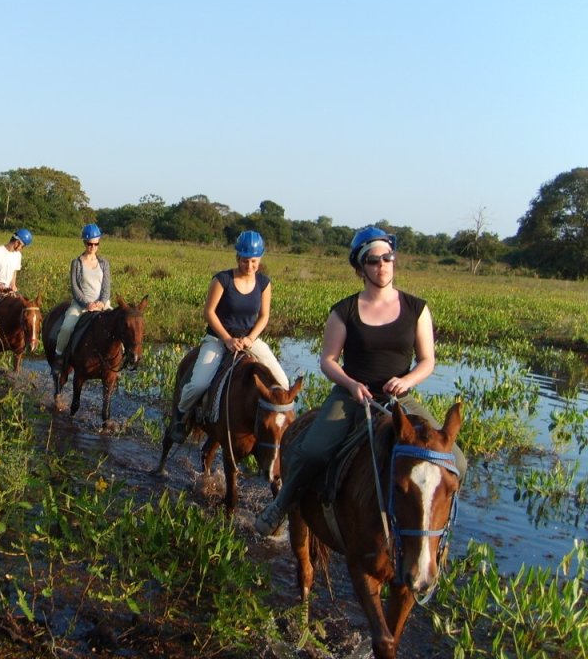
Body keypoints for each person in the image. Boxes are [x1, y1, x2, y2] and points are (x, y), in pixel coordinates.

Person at [253, 226, 468, 536]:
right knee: (312, 451)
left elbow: (427, 361)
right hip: (351, 396)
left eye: (387, 258)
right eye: (373, 260)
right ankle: (281, 506)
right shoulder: (345, 311)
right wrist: (351, 384)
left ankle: (435, 527)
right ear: (360, 268)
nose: (382, 265)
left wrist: (407, 380)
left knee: (456, 461)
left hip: (399, 400)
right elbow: (328, 360)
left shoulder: (416, 309)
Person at [167, 230, 290, 444]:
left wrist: (250, 339)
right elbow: (209, 312)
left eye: (253, 261)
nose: (249, 266)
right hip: (218, 339)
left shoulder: (264, 283)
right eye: (244, 261)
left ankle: (279, 428)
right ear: (237, 258)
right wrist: (226, 339)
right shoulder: (222, 279)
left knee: (283, 382)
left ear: (259, 259)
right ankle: (180, 416)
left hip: (249, 340)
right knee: (198, 384)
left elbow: (264, 316)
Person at [51, 223, 111, 372]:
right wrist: (87, 304)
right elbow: (75, 287)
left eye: (96, 244)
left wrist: (102, 303)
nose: (93, 247)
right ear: (84, 243)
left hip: (101, 303)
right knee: (67, 327)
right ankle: (58, 356)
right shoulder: (77, 263)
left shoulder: (104, 263)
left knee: (120, 323)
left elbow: (106, 286)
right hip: (80, 304)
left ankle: (117, 360)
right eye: (90, 244)